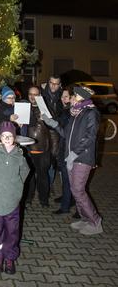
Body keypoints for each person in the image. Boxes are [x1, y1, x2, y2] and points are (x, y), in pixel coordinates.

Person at [42, 85, 102, 235]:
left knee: (78, 190)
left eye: (75, 96)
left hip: (82, 157)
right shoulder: (76, 113)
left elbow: (90, 137)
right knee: (75, 190)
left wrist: (74, 153)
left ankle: (95, 222)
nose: (72, 98)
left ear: (82, 98)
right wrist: (53, 124)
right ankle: (85, 218)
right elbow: (65, 134)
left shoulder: (91, 113)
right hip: (71, 157)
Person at [0, 97, 30, 275]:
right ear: (0, 139)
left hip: (12, 202)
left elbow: (25, 172)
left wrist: (17, 186)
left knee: (12, 232)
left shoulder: (20, 156)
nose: (7, 139)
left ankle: (9, 258)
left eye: (10, 136)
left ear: (14, 138)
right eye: (4, 136)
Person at [24, 86, 50, 207]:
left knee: (43, 175)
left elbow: (53, 130)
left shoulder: (45, 108)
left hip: (42, 148)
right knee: (28, 175)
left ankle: (44, 199)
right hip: (27, 148)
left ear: (39, 95)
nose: (33, 97)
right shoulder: (23, 107)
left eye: (35, 94)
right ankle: (28, 198)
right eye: (30, 94)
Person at [53, 88, 75, 215]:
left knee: (68, 179)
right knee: (64, 176)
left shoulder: (69, 112)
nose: (63, 99)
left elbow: (64, 132)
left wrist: (52, 122)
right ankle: (67, 199)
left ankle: (66, 206)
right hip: (63, 147)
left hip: (68, 150)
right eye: (62, 96)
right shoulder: (65, 110)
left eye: (66, 97)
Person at [41, 75, 63, 184]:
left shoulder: (62, 96)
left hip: (55, 130)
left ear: (60, 85)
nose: (53, 86)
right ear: (48, 82)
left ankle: (48, 184)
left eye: (56, 83)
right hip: (42, 129)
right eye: (51, 83)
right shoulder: (41, 93)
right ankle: (42, 184)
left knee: (52, 158)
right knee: (41, 157)